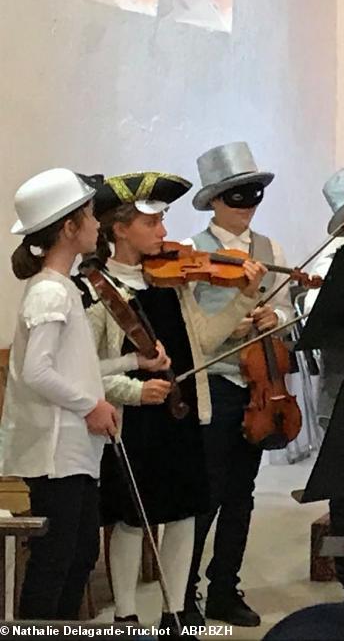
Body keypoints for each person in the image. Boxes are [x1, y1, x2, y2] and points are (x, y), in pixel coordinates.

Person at [85, 172, 265, 631]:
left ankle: (174, 613)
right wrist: (135, 390)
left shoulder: (170, 280)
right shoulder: (97, 287)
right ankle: (125, 615)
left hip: (182, 410)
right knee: (131, 519)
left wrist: (243, 299)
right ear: (120, 228)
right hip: (133, 419)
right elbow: (89, 370)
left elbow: (203, 340)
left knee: (184, 513)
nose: (165, 233)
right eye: (153, 223)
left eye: (163, 221)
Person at [0, 170, 118, 620]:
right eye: (89, 216)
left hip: (73, 450)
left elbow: (75, 370)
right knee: (55, 561)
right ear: (68, 228)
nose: (96, 225)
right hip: (56, 453)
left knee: (81, 553)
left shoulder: (60, 287)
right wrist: (93, 405)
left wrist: (133, 366)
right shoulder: (50, 290)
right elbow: (37, 371)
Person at [185, 142, 291, 627]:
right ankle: (184, 593)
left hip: (261, 387)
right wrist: (236, 321)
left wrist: (277, 315)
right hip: (219, 384)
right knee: (206, 494)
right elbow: (195, 328)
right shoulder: (191, 256)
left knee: (241, 494)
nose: (246, 207)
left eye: (254, 197)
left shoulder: (270, 250)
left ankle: (225, 586)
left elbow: (288, 309)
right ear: (215, 202)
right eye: (237, 198)